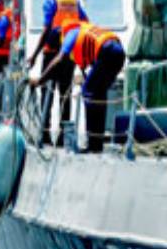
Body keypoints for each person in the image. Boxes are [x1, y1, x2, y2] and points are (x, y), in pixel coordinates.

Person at [31, 19, 124, 153]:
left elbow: (59, 59)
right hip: (118, 52)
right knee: (98, 94)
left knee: (88, 93)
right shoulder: (83, 32)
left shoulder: (70, 34)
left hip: (107, 51)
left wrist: (40, 80)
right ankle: (97, 143)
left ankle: (93, 144)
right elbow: (87, 69)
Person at [26, 0, 88, 145]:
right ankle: (62, 137)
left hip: (52, 52)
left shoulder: (51, 1)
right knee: (65, 94)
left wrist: (34, 55)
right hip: (69, 54)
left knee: (46, 90)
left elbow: (46, 30)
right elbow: (85, 22)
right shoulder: (74, 1)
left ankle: (44, 135)